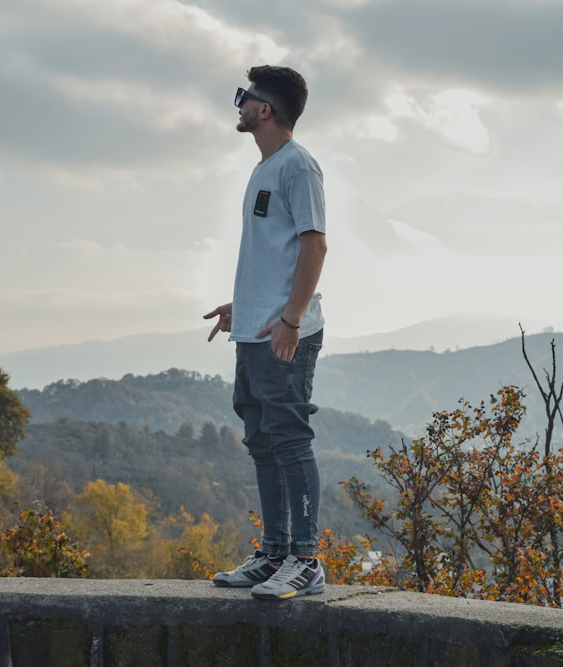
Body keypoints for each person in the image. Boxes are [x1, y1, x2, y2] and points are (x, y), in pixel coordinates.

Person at [204, 65, 328, 600]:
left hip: (284, 334)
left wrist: (292, 320)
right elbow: (274, 254)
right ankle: (275, 552)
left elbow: (314, 245)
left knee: (291, 442)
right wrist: (245, 304)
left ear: (266, 109)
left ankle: (306, 562)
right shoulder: (265, 168)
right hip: (256, 331)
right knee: (261, 441)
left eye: (244, 97)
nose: (239, 105)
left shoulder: (297, 167)